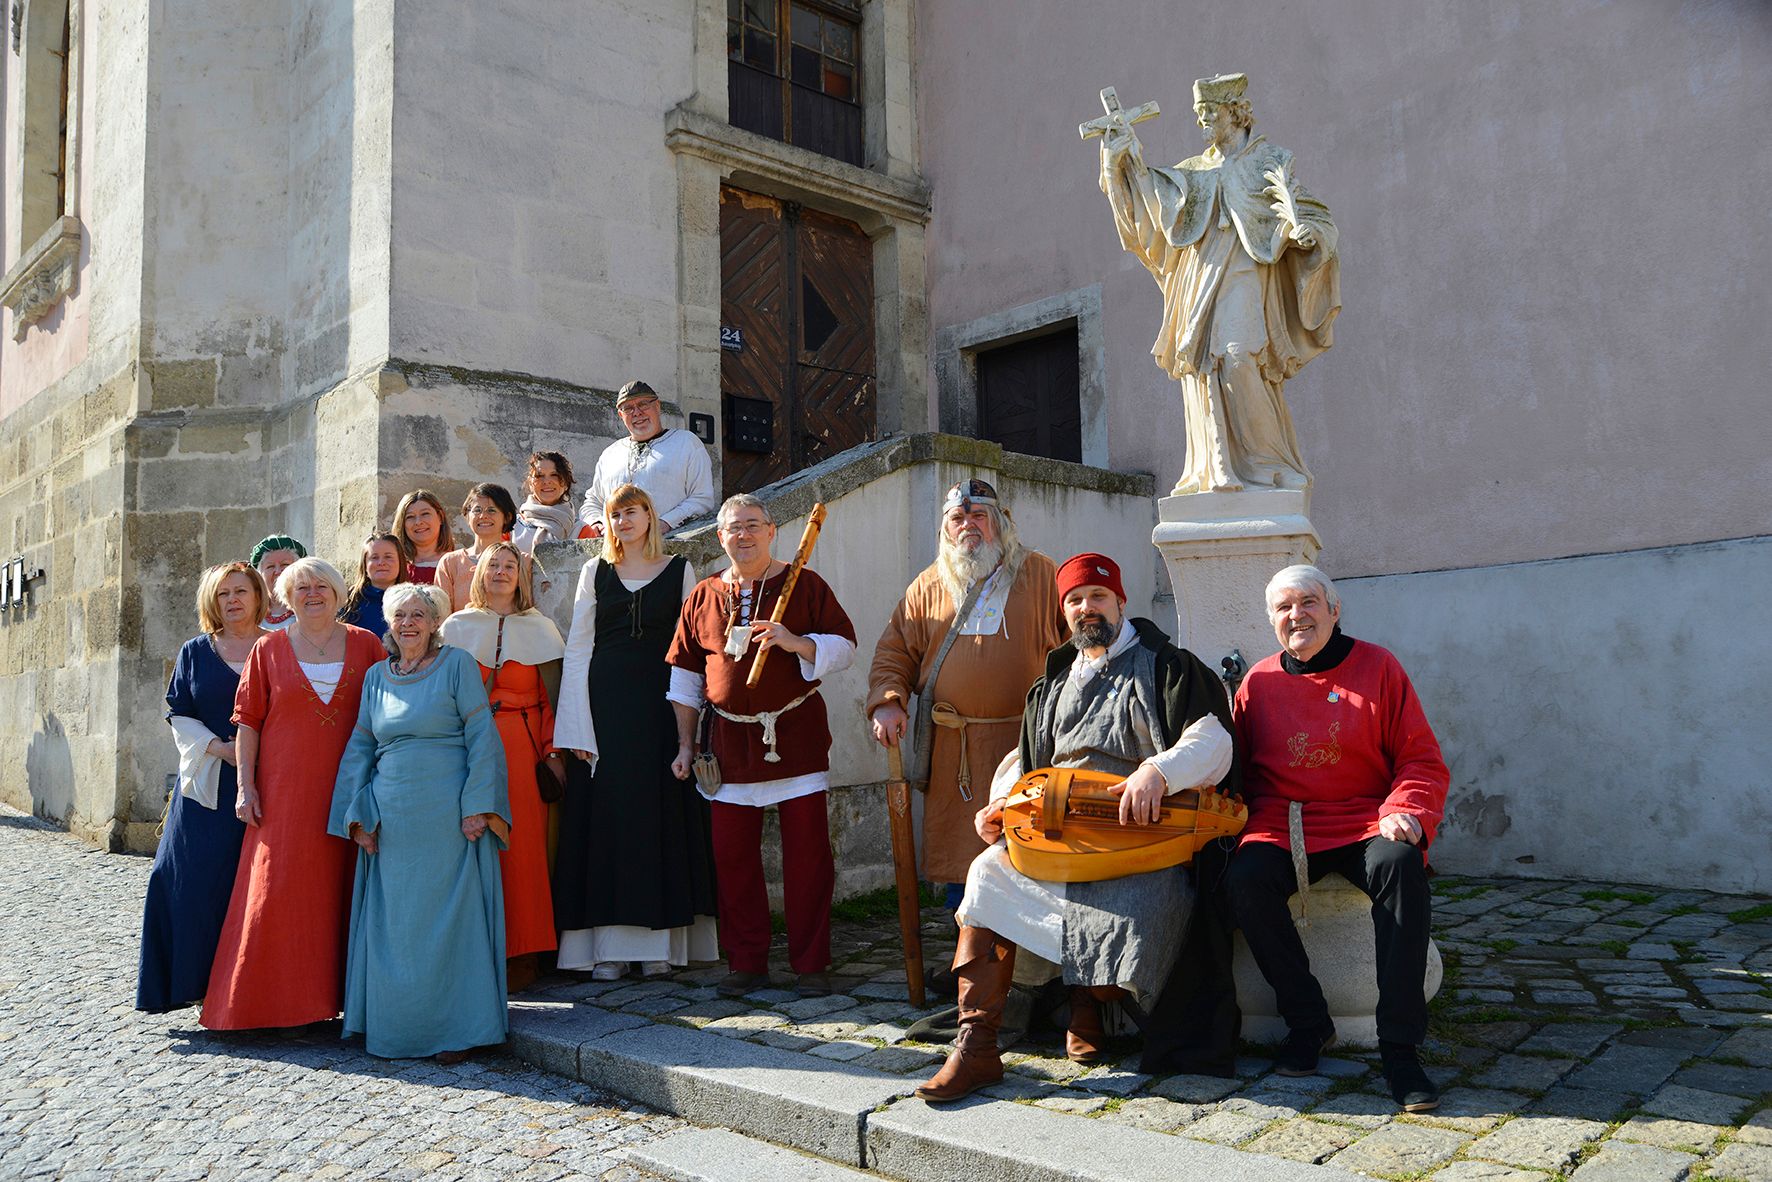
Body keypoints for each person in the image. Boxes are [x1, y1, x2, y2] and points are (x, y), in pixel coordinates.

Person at [915, 553, 1237, 1103]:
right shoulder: (1053, 681)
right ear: (1064, 612)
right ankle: (977, 1046)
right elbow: (1025, 763)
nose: (1087, 608)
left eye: (1098, 597)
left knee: (1143, 906)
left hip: (1142, 840)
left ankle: (1091, 1001)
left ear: (1120, 602)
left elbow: (1213, 740)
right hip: (1059, 833)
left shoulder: (1168, 667)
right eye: (1075, 600)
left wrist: (1159, 771)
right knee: (988, 871)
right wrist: (1000, 806)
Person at [1225, 564, 1449, 1112]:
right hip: (1284, 821)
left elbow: (1419, 757)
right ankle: (1307, 1021)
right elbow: (1237, 771)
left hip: (1366, 819)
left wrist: (1407, 810)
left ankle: (1400, 1050)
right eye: (1283, 607)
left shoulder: (1378, 667)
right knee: (1243, 880)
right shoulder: (1258, 681)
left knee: (1400, 865)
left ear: (1333, 609)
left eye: (1307, 603)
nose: (1296, 615)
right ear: (1272, 619)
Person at [1097, 72, 1339, 494]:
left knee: (1240, 357)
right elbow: (1154, 206)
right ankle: (1217, 468)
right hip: (1200, 277)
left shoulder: (1271, 162)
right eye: (1198, 112)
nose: (1201, 120)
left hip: (1246, 273)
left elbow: (1314, 215)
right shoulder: (1194, 172)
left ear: (1235, 112)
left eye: (1209, 111)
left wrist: (1311, 236)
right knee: (1206, 367)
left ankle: (1268, 463)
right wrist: (1124, 161)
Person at [665, 493, 855, 998]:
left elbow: (846, 647)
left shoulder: (805, 584)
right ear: (720, 538)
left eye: (753, 525)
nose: (743, 535)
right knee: (732, 860)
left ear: (772, 531)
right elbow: (684, 677)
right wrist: (686, 746)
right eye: (734, 528)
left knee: (809, 860)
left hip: (794, 738)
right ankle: (746, 962)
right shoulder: (704, 595)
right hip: (726, 742)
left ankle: (811, 963)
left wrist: (796, 641)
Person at [867, 478, 1067, 915]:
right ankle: (968, 958)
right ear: (946, 529)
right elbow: (894, 650)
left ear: (1000, 523)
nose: (968, 526)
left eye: (979, 516)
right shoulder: (927, 585)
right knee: (963, 858)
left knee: (1028, 851)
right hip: (954, 752)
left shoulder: (1041, 574)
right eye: (958, 518)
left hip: (1025, 745)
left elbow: (1076, 647)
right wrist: (887, 699)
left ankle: (1028, 967)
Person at [329, 583, 511, 1061]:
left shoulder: (456, 666)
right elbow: (360, 750)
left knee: (451, 921)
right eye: (399, 615)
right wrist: (356, 817)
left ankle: (457, 1031)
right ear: (388, 624)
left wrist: (479, 804)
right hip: (392, 824)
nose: (408, 623)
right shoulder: (375, 677)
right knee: (398, 927)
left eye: (418, 615)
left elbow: (482, 737)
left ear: (434, 623)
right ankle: (398, 1027)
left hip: (449, 818)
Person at [202, 557, 385, 1032]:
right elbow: (247, 723)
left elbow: (391, 713)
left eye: (321, 585)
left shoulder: (367, 646)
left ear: (339, 591)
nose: (312, 594)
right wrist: (245, 787)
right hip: (284, 793)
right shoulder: (268, 649)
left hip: (351, 791)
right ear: (285, 596)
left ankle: (345, 1005)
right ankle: (269, 1008)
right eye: (300, 587)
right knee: (279, 893)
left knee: (342, 891)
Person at [554, 484, 715, 981]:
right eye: (615, 513)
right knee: (607, 818)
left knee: (659, 815)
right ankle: (607, 949)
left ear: (651, 515)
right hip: (603, 710)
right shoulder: (593, 571)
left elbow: (694, 649)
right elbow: (578, 648)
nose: (624, 520)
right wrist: (575, 726)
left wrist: (694, 724)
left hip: (663, 709)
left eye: (633, 511)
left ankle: (659, 944)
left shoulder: (681, 570)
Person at [136, 562, 268, 1013]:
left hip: (265, 783)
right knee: (183, 880)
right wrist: (219, 748)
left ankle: (241, 990)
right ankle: (187, 984)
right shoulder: (195, 651)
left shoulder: (276, 647)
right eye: (222, 593)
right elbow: (178, 710)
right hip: (207, 783)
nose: (232, 600)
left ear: (257, 596)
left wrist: (251, 755)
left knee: (247, 887)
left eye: (240, 591)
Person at [439, 542, 565, 993]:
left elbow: (552, 700)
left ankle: (525, 952)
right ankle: (474, 948)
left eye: (511, 565)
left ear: (522, 576)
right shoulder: (456, 627)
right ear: (478, 572)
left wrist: (553, 754)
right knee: (472, 846)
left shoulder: (541, 629)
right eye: (493, 564)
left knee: (523, 852)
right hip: (468, 749)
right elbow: (441, 695)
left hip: (521, 747)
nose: (502, 571)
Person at [578, 380, 715, 539]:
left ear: (657, 406)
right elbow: (592, 501)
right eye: (628, 408)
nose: (637, 413)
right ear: (621, 415)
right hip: (615, 549)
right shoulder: (610, 453)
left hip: (666, 547)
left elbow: (702, 498)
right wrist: (598, 523)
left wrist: (664, 523)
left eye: (643, 404)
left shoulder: (686, 443)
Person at [436, 483, 520, 613]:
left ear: (507, 517)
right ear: (467, 516)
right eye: (477, 510)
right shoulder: (450, 563)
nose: (483, 516)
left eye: (491, 510)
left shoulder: (521, 561)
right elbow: (440, 615)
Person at [339, 533, 410, 641]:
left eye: (388, 557)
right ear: (365, 565)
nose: (381, 562)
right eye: (374, 557)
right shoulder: (348, 602)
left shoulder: (414, 600)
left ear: (400, 562)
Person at [512, 451, 578, 553]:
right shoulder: (511, 527)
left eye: (554, 475)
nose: (547, 481)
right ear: (530, 483)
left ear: (565, 483)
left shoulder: (580, 530)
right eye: (539, 475)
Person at [392, 490, 454, 585]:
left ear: (440, 517)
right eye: (410, 517)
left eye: (425, 514)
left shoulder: (457, 563)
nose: (418, 522)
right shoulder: (394, 566)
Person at [250, 535, 306, 631]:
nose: (278, 571)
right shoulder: (251, 612)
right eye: (270, 566)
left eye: (285, 564)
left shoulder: (310, 608)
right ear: (260, 575)